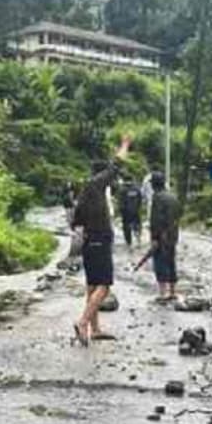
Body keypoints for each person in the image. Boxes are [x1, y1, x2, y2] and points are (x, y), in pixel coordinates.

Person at [71, 133, 133, 345]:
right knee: (104, 286)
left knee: (92, 286)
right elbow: (116, 164)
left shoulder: (84, 191)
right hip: (99, 240)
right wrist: (125, 144)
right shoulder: (97, 185)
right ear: (101, 175)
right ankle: (83, 322)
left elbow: (75, 221)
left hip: (89, 242)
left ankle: (95, 329)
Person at [148, 171, 181, 301]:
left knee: (160, 263)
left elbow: (156, 220)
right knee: (171, 261)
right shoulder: (173, 197)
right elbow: (178, 215)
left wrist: (155, 238)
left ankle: (163, 292)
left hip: (162, 236)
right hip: (173, 235)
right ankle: (173, 291)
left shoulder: (157, 197)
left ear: (153, 185)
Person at [118, 178, 144, 247]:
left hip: (126, 213)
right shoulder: (136, 188)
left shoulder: (123, 189)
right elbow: (140, 199)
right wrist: (138, 208)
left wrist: (121, 211)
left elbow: (121, 202)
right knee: (137, 226)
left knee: (127, 228)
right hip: (136, 211)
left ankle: (129, 243)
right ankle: (138, 240)